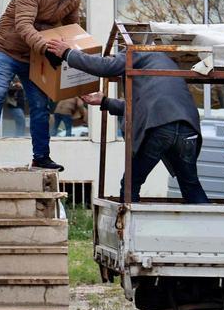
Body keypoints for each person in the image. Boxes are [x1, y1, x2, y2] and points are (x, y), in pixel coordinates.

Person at [46, 37, 208, 203]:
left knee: (131, 183)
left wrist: (67, 53)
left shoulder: (138, 52)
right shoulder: (164, 64)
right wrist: (104, 102)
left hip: (160, 125)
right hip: (188, 129)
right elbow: (141, 107)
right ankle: (213, 227)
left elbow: (106, 67)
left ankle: (130, 228)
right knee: (191, 186)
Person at [0, 0, 84, 171]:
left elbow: (73, 29)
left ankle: (41, 157)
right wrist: (46, 48)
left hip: (34, 56)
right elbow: (23, 25)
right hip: (6, 49)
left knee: (40, 106)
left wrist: (75, 56)